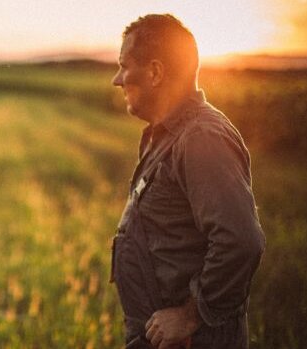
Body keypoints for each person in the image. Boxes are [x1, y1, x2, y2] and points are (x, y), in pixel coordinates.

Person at [109, 14, 265, 348]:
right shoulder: (164, 135)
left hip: (194, 340)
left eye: (124, 66)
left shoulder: (201, 137)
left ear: (154, 72)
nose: (116, 80)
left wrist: (190, 315)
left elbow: (240, 241)